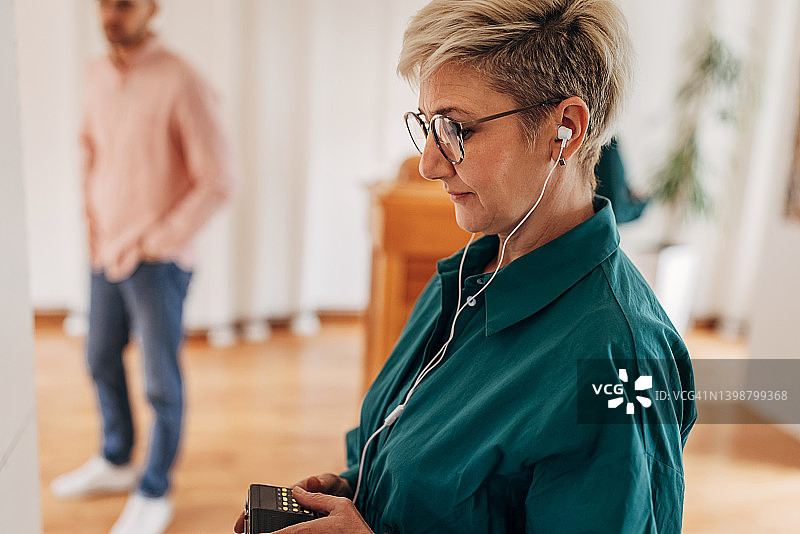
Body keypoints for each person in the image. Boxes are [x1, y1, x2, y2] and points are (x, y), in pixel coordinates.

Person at [235, 0, 695, 532]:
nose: (429, 163)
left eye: (457, 128)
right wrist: (358, 491)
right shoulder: (463, 278)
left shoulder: (615, 362)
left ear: (564, 129)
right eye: (427, 124)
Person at [50, 1, 234, 533]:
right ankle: (115, 460)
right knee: (100, 359)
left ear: (151, 8)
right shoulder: (94, 75)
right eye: (105, 1)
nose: (112, 12)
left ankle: (155, 489)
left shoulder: (182, 80)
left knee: (159, 381)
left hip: (157, 264)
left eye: (126, 2)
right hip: (105, 253)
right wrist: (93, 233)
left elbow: (219, 177)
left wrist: (160, 241)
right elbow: (91, 155)